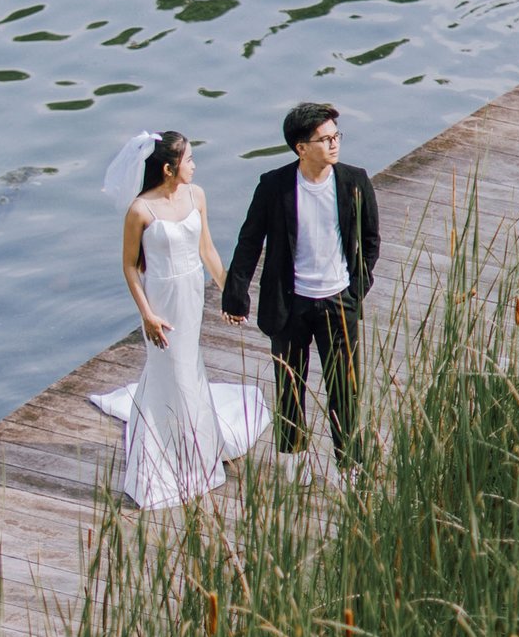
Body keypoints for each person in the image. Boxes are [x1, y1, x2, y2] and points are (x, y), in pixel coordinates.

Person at [90, 129, 269, 509]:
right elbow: (128, 266)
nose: (194, 165)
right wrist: (148, 315)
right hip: (161, 299)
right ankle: (163, 455)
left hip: (190, 294)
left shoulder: (196, 195)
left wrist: (228, 293)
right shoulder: (141, 210)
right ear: (169, 168)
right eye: (189, 160)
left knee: (189, 367)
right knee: (167, 368)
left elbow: (206, 249)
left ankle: (197, 445)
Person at [222, 102, 379, 478]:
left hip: (340, 299)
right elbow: (249, 241)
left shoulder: (354, 181)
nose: (334, 144)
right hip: (290, 303)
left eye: (336, 136)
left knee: (344, 387)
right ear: (301, 147)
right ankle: (293, 462)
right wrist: (236, 295)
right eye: (325, 139)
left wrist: (358, 287)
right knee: (290, 383)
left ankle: (349, 466)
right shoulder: (274, 185)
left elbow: (371, 241)